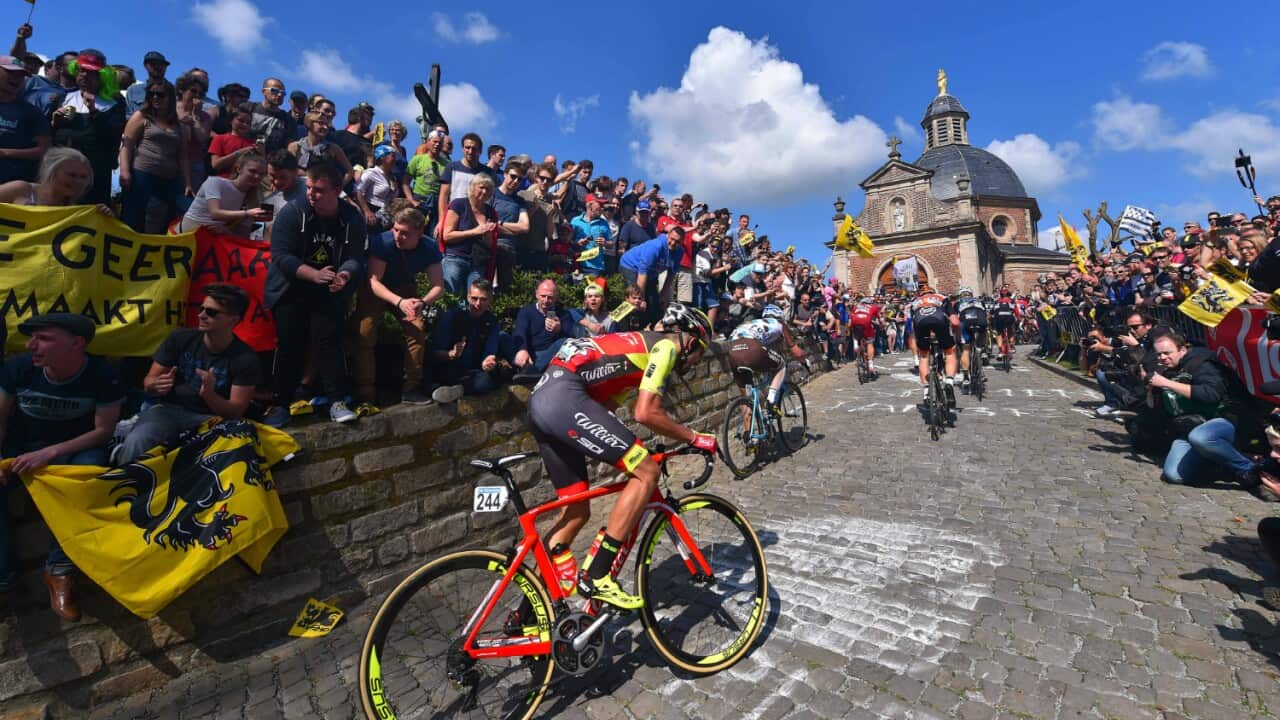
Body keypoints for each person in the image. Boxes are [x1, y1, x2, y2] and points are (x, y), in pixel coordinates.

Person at [523, 303, 716, 610]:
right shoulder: (666, 347)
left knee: (576, 513)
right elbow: (646, 412)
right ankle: (598, 575)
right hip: (564, 398)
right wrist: (696, 438)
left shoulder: (634, 348)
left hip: (544, 401)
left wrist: (633, 450)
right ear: (691, 341)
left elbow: (607, 413)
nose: (694, 362)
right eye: (699, 354)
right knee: (647, 473)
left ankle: (527, 612)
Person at [0, 313, 124, 620]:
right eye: (32, 338)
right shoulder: (17, 369)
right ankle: (6, 582)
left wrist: (53, 452)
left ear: (76, 343)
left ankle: (59, 571)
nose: (32, 345)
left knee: (86, 481)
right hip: (24, 448)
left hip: (77, 448)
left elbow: (103, 431)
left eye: (44, 338)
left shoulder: (101, 373)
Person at [261, 162, 366, 427]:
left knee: (329, 342)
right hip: (291, 287)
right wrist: (313, 274)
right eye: (309, 187)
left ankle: (337, 401)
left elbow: (355, 258)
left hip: (329, 289)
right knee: (289, 346)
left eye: (319, 190)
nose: (311, 194)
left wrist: (344, 276)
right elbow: (281, 256)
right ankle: (280, 404)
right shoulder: (293, 212)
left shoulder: (351, 218)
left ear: (337, 191)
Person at [113, 284, 261, 465]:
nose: (201, 315)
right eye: (202, 309)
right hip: (168, 410)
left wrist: (209, 396)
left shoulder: (245, 358)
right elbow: (149, 381)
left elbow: (235, 412)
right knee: (138, 441)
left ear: (233, 320)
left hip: (211, 419)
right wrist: (155, 385)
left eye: (212, 312)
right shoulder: (180, 338)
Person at [351, 205, 445, 405]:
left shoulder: (429, 247)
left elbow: (438, 285)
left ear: (419, 234)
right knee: (365, 332)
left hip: (404, 285)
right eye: (396, 230)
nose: (398, 236)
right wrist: (399, 302)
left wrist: (422, 302)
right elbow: (374, 281)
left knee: (417, 330)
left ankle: (411, 386)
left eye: (405, 233)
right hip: (376, 288)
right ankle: (365, 389)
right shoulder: (382, 242)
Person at [1156, 329, 1269, 488]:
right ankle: (1225, 466)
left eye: (1167, 353)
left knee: (1201, 437)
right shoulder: (1167, 370)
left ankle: (1251, 470)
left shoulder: (1203, 364)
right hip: (1190, 426)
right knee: (1174, 475)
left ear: (1182, 350)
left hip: (1225, 419)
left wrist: (1167, 384)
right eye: (1159, 354)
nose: (1162, 358)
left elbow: (1211, 394)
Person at [51, 49, 127, 205]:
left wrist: (93, 110)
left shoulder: (114, 103)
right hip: (62, 169)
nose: (84, 75)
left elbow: (112, 135)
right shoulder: (63, 98)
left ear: (102, 76)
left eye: (90, 72)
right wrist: (55, 122)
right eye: (81, 70)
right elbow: (49, 134)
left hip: (94, 174)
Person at [118, 79, 193, 232]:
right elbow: (127, 145)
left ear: (170, 98)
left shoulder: (179, 126)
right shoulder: (141, 116)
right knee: (133, 218)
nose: (155, 98)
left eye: (160, 94)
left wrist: (188, 183)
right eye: (151, 94)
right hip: (142, 174)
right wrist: (125, 171)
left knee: (162, 222)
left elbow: (183, 157)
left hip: (168, 179)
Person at [431, 278, 502, 401]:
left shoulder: (491, 322)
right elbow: (435, 352)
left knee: (490, 380)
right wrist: (451, 354)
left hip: (473, 370)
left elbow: (490, 352)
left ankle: (458, 390)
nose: (478, 304)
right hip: (450, 366)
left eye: (483, 299)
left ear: (490, 300)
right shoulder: (453, 316)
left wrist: (488, 362)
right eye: (474, 298)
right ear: (468, 297)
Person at [726, 303, 806, 411]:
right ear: (780, 318)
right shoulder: (778, 324)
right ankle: (771, 400)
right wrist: (804, 361)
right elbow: (797, 353)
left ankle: (748, 425)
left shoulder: (754, 323)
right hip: (751, 348)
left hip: (733, 352)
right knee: (781, 365)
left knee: (748, 400)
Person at [177, 151, 269, 235]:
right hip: (185, 237)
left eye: (261, 174)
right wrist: (247, 213)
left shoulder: (254, 198)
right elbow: (215, 213)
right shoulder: (215, 182)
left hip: (213, 242)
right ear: (239, 169)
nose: (257, 176)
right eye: (252, 171)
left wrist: (226, 231)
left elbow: (243, 235)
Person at [439, 172, 498, 294]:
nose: (484, 191)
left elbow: (490, 245)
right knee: (449, 295)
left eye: (488, 189)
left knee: (475, 300)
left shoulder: (491, 212)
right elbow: (447, 235)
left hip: (478, 262)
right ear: (472, 187)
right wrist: (474, 232)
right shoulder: (459, 204)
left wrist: (487, 235)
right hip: (456, 258)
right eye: (481, 187)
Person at [619, 227, 684, 327]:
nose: (673, 243)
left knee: (654, 302)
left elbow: (671, 274)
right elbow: (642, 273)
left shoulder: (679, 252)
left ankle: (648, 327)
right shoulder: (655, 247)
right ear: (668, 235)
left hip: (652, 272)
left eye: (677, 241)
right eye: (671, 239)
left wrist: (663, 294)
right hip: (631, 266)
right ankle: (619, 325)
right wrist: (642, 299)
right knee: (634, 298)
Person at [0, 54, 49, 183]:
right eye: (10, 72)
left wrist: (5, 153)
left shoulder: (32, 113)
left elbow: (44, 149)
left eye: (21, 75)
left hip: (11, 187)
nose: (17, 78)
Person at [0, 146, 101, 209]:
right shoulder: (21, 189)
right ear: (52, 172)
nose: (78, 181)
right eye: (71, 175)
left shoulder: (75, 211)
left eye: (83, 177)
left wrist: (104, 216)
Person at [512, 279, 574, 379]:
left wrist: (559, 329)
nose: (545, 300)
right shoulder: (526, 311)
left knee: (564, 342)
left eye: (550, 298)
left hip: (548, 354)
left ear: (555, 298)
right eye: (543, 296)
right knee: (504, 337)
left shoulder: (563, 314)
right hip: (529, 352)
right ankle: (528, 370)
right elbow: (520, 331)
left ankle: (532, 371)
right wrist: (522, 349)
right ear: (536, 294)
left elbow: (571, 338)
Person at [909, 285, 958, 407]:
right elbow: (955, 322)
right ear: (933, 292)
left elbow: (912, 326)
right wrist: (956, 336)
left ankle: (926, 391)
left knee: (924, 356)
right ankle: (949, 382)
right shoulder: (942, 298)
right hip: (939, 321)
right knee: (949, 352)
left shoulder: (914, 302)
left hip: (920, 324)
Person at [287, 110, 354, 188]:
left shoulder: (333, 148)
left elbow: (350, 171)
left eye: (327, 124)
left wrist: (337, 188)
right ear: (309, 123)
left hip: (322, 193)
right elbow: (287, 169)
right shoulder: (294, 147)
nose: (325, 127)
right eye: (321, 123)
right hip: (297, 189)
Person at [492, 160, 529, 291]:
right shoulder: (491, 194)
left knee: (504, 292)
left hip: (508, 249)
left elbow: (525, 227)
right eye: (513, 176)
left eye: (519, 179)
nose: (515, 181)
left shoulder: (520, 201)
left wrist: (500, 224)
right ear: (505, 174)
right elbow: (487, 223)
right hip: (488, 245)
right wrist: (513, 229)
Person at [208, 102, 260, 178]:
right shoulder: (220, 138)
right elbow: (215, 164)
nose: (244, 124)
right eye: (241, 120)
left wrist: (262, 153)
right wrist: (239, 153)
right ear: (231, 121)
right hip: (222, 182)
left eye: (248, 123)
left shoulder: (253, 145)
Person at [954, 287, 987, 390]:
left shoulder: (958, 302)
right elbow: (985, 314)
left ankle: (965, 377)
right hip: (980, 321)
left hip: (966, 323)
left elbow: (954, 319)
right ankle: (981, 349)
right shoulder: (979, 301)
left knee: (966, 349)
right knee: (983, 330)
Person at [250, 78, 292, 155]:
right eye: (275, 91)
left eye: (283, 93)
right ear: (264, 92)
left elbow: (289, 146)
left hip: (273, 162)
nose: (279, 95)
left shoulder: (288, 119)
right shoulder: (250, 108)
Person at [848, 294, 882, 376]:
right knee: (870, 343)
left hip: (855, 321)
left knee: (854, 331)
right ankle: (870, 365)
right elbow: (879, 319)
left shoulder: (856, 307)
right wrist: (881, 325)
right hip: (866, 322)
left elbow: (850, 319)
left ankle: (856, 345)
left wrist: (849, 328)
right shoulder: (873, 307)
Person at [123, 50, 167, 115]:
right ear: (145, 66)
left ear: (165, 67)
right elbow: (128, 115)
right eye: (153, 64)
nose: (157, 67)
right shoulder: (133, 90)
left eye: (160, 64)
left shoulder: (173, 91)